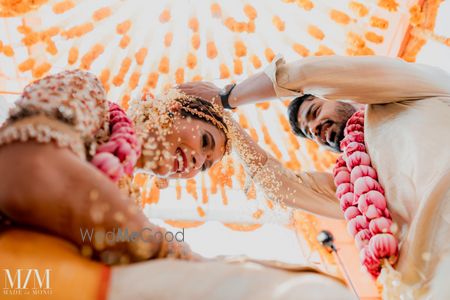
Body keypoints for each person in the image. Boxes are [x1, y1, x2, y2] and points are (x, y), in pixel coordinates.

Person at [0, 70, 354, 299]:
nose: (197, 162)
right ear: (168, 109)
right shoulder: (86, 93)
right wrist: (180, 255)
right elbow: (29, 170)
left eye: (205, 167)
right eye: (204, 141)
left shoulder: (125, 194)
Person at [178, 54, 450, 299]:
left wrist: (228, 97)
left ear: (340, 94)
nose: (317, 130)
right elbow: (281, 186)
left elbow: (317, 74)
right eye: (311, 134)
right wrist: (222, 121)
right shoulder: (352, 188)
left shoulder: (411, 91)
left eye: (315, 112)